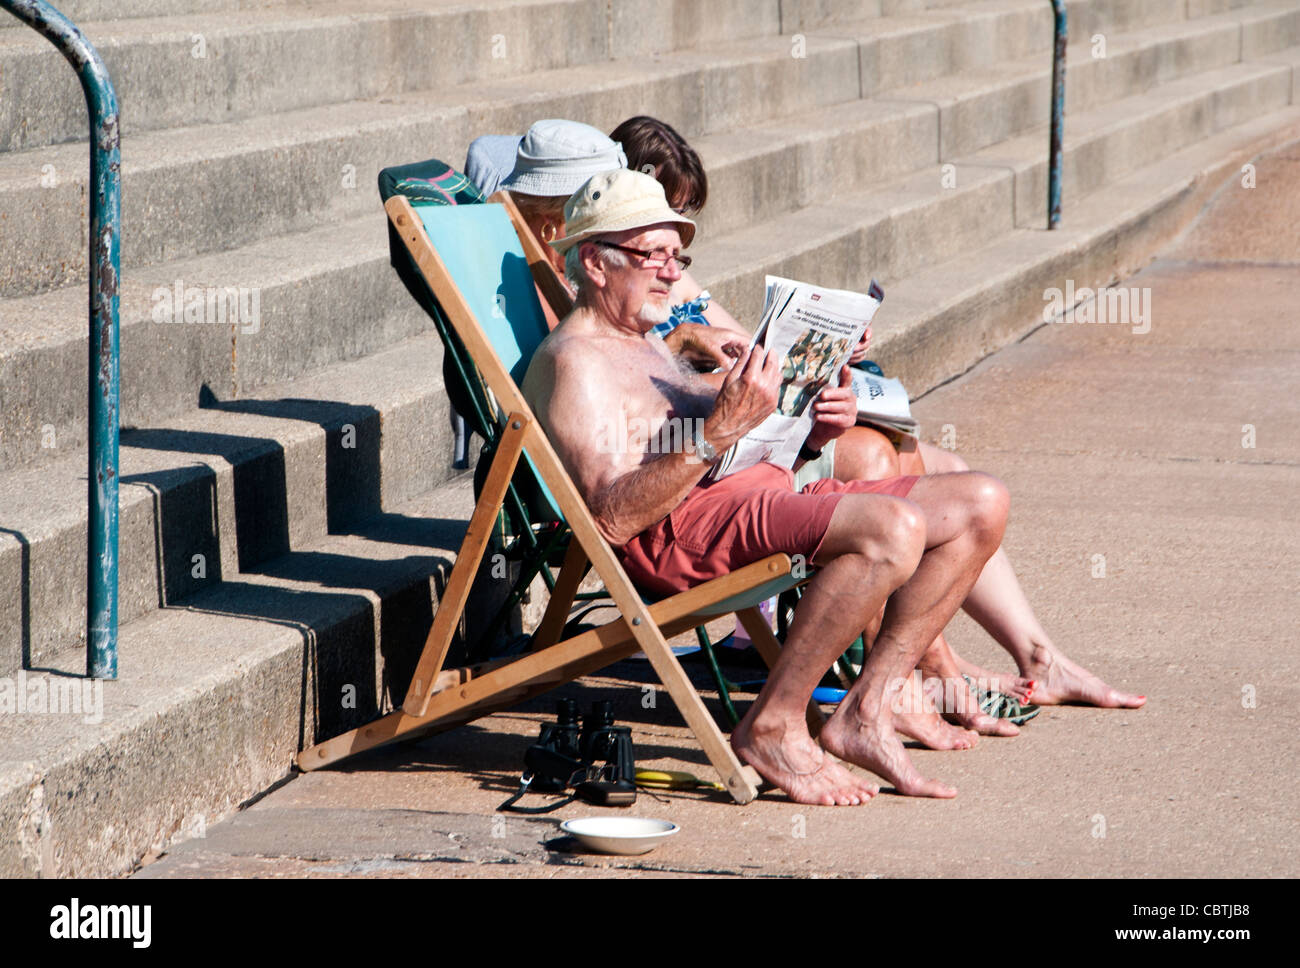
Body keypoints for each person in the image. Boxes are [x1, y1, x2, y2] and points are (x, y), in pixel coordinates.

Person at [610, 115, 1146, 714]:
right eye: (662, 218)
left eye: (682, 228)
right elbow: (644, 395)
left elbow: (757, 350)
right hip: (716, 464)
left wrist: (830, 344)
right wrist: (689, 346)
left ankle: (1031, 655)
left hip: (759, 441)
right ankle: (927, 670)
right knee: (872, 455)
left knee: (942, 463)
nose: (672, 250)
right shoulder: (608, 289)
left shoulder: (672, 277)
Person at [523, 169, 1013, 803]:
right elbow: (613, 519)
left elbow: (739, 442)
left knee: (981, 503)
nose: (674, 273)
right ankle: (774, 723)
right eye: (656, 255)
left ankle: (872, 704)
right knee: (894, 530)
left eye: (679, 256)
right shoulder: (576, 363)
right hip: (680, 534)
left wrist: (811, 428)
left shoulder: (653, 343)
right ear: (595, 261)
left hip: (754, 498)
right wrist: (720, 428)